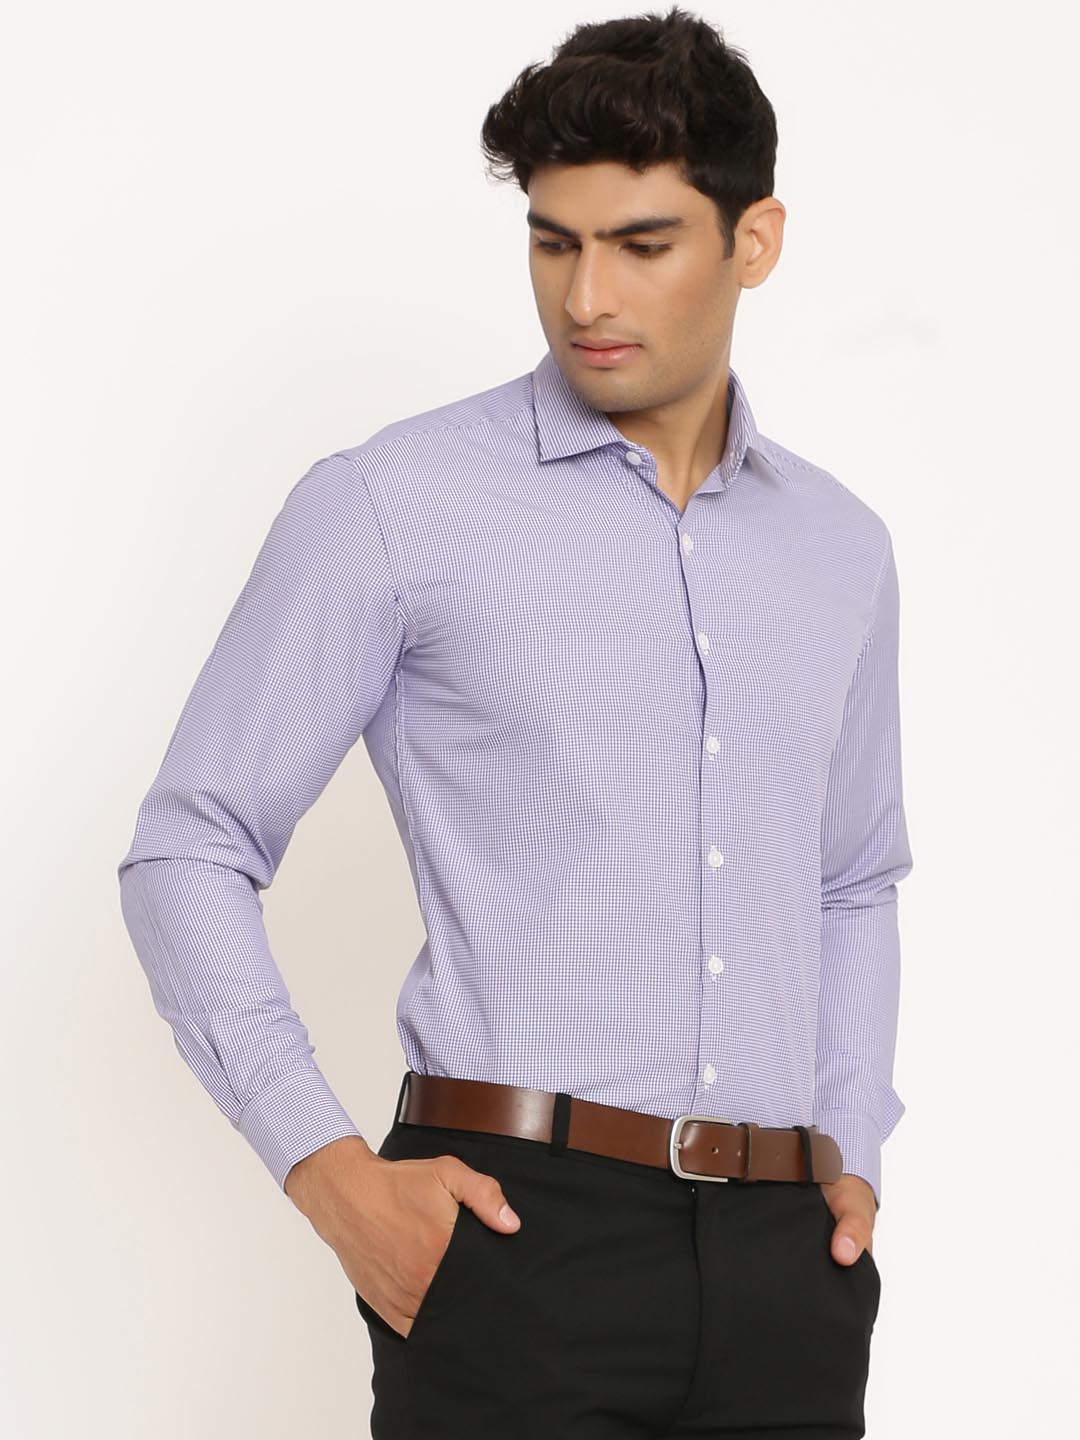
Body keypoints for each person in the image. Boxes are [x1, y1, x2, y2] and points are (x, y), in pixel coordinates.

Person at [117, 7, 913, 1436]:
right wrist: (331, 1175)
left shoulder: (840, 549)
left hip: (786, 1262)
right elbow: (190, 848)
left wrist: (847, 1155)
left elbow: (852, 878)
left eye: (642, 244)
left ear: (755, 241)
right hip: (514, 1234)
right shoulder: (395, 503)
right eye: (554, 243)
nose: (586, 295)